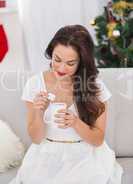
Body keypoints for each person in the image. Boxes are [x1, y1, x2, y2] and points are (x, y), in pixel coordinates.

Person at [9, 25, 123, 184]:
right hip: (45, 154)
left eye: (70, 63)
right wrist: (38, 112)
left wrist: (76, 123)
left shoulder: (95, 86)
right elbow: (36, 138)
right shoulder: (35, 84)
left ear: (82, 62)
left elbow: (97, 140)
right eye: (57, 59)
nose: (61, 68)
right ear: (51, 54)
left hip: (85, 155)